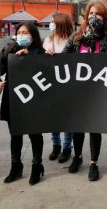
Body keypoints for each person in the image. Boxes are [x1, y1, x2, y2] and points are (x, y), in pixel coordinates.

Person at [62, 0, 107, 182]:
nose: (93, 17)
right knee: (78, 127)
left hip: (98, 93)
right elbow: (63, 59)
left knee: (95, 128)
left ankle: (94, 163)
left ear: (105, 18)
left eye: (98, 14)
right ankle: (78, 156)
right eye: (90, 13)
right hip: (77, 91)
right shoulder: (76, 37)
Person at [0, 22, 45, 186]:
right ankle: (15, 165)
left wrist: (30, 58)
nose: (22, 35)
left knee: (34, 134)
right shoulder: (10, 49)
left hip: (33, 100)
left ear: (33, 35)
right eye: (20, 32)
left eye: (26, 32)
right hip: (12, 98)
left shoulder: (40, 51)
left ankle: (37, 165)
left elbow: (47, 71)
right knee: (15, 133)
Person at [43, 13, 74, 163]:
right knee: (52, 115)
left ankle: (67, 147)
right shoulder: (48, 39)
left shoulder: (73, 39)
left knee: (67, 117)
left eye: (53, 22)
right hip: (51, 83)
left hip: (68, 85)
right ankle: (56, 144)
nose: (51, 24)